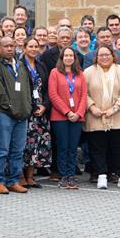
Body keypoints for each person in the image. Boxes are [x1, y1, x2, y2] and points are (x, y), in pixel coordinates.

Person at [83, 46, 120, 189]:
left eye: (107, 54)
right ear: (96, 57)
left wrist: (115, 108)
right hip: (96, 117)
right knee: (98, 149)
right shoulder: (88, 72)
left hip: (119, 116)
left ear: (113, 56)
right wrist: (92, 107)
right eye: (101, 55)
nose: (104, 57)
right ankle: (101, 176)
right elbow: (83, 93)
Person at [0, 37, 33, 195]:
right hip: (4, 114)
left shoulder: (20, 64)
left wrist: (27, 107)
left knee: (18, 150)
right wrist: (11, 108)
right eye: (6, 46)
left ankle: (13, 181)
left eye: (12, 46)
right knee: (3, 149)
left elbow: (26, 88)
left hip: (22, 114)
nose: (9, 49)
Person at [48, 47, 88, 189]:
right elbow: (53, 95)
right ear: (62, 58)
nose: (69, 58)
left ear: (75, 58)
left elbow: (84, 96)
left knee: (73, 148)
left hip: (77, 117)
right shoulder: (55, 72)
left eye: (71, 55)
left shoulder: (80, 74)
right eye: (66, 55)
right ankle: (63, 176)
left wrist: (78, 113)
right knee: (62, 147)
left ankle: (71, 176)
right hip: (60, 117)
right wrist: (67, 112)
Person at [21, 37, 51, 188]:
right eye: (30, 46)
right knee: (24, 144)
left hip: (41, 112)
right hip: (25, 110)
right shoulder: (19, 64)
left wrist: (44, 105)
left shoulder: (41, 65)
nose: (33, 49)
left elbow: (47, 88)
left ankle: (31, 176)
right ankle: (20, 176)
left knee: (36, 144)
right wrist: (33, 107)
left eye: (36, 46)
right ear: (24, 48)